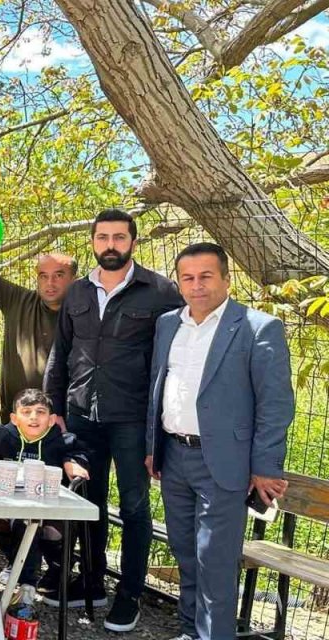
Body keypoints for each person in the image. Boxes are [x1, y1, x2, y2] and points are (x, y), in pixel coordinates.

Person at [42, 208, 182, 632]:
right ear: (93, 242)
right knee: (88, 503)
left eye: (119, 237)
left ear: (133, 242)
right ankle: (92, 582)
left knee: (135, 506)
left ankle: (129, 595)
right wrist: (55, 408)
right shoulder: (78, 292)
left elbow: (176, 359)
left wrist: (161, 423)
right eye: (103, 237)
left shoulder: (160, 291)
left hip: (133, 419)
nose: (110, 245)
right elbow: (61, 351)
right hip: (82, 415)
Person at [146, 243, 294, 640]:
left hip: (226, 464)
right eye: (188, 278)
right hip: (173, 457)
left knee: (216, 561)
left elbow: (276, 403)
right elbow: (158, 388)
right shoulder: (167, 324)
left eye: (206, 276)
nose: (197, 285)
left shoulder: (258, 327)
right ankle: (190, 631)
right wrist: (152, 447)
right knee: (185, 553)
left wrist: (265, 467)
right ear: (179, 283)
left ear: (227, 279)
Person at [0, 388, 90, 603]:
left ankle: (28, 585)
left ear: (51, 420)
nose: (33, 417)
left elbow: (78, 454)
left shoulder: (62, 441)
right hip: (6, 504)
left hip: (47, 510)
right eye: (26, 412)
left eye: (40, 412)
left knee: (28, 522)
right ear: (14, 418)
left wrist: (71, 462)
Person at [0, 253, 77, 423]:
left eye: (59, 275)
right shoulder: (17, 301)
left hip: (63, 423)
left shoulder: (85, 314)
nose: (50, 283)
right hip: (15, 421)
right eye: (43, 276)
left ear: (74, 280)